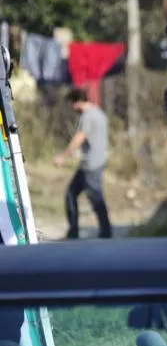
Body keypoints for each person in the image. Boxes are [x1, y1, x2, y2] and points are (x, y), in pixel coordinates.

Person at [54, 87, 112, 239]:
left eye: (72, 104)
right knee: (71, 194)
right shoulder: (99, 112)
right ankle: (74, 231)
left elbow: (80, 137)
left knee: (95, 197)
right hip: (96, 160)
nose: (73, 108)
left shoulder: (87, 116)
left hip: (90, 163)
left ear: (77, 102)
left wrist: (64, 156)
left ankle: (105, 232)